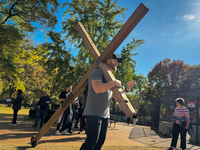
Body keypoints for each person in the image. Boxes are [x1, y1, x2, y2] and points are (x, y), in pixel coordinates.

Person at [80, 54, 135, 150]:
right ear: (108, 60)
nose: (117, 62)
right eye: (115, 60)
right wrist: (113, 83)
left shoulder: (109, 77)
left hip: (105, 115)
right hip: (94, 113)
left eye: (118, 61)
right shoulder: (97, 72)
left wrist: (126, 89)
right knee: (91, 142)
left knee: (100, 142)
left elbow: (113, 96)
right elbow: (97, 88)